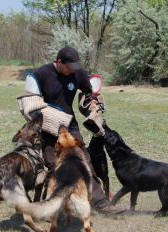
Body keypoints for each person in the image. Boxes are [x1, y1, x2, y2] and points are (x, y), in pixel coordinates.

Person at [30, 47, 125, 214]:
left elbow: (89, 94)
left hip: (69, 124)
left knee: (83, 161)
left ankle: (101, 203)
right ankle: (55, 207)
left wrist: (93, 107)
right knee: (53, 165)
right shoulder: (42, 74)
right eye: (69, 66)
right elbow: (30, 104)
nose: (73, 70)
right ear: (59, 62)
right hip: (48, 127)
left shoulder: (78, 73)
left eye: (75, 66)